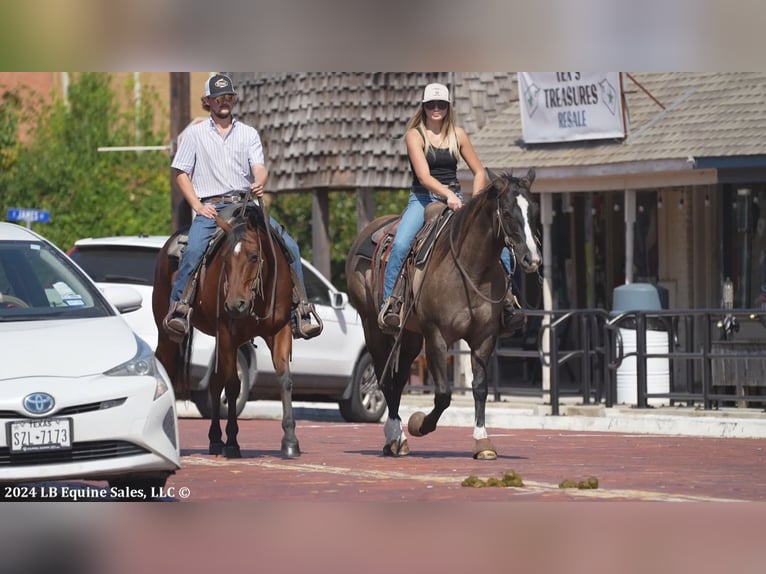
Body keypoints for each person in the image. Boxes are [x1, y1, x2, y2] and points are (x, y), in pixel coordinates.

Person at [163, 74, 322, 342]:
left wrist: (260, 182)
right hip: (211, 208)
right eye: (218, 98)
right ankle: (180, 308)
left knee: (290, 246)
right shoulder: (194, 134)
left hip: (244, 205)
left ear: (233, 100)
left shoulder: (248, 133)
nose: (223, 102)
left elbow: (258, 167)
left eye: (228, 97)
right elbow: (181, 172)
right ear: (207, 101)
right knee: (193, 250)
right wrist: (197, 205)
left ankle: (300, 311)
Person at [378, 82, 517, 332]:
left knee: (500, 243)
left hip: (455, 198)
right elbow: (424, 177)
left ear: (448, 107)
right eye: (431, 104)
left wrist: (475, 202)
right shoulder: (415, 135)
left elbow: (479, 171)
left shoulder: (458, 134)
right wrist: (448, 196)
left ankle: (509, 301)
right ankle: (391, 303)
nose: (436, 109)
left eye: (441, 104)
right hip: (422, 200)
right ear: (423, 107)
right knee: (400, 244)